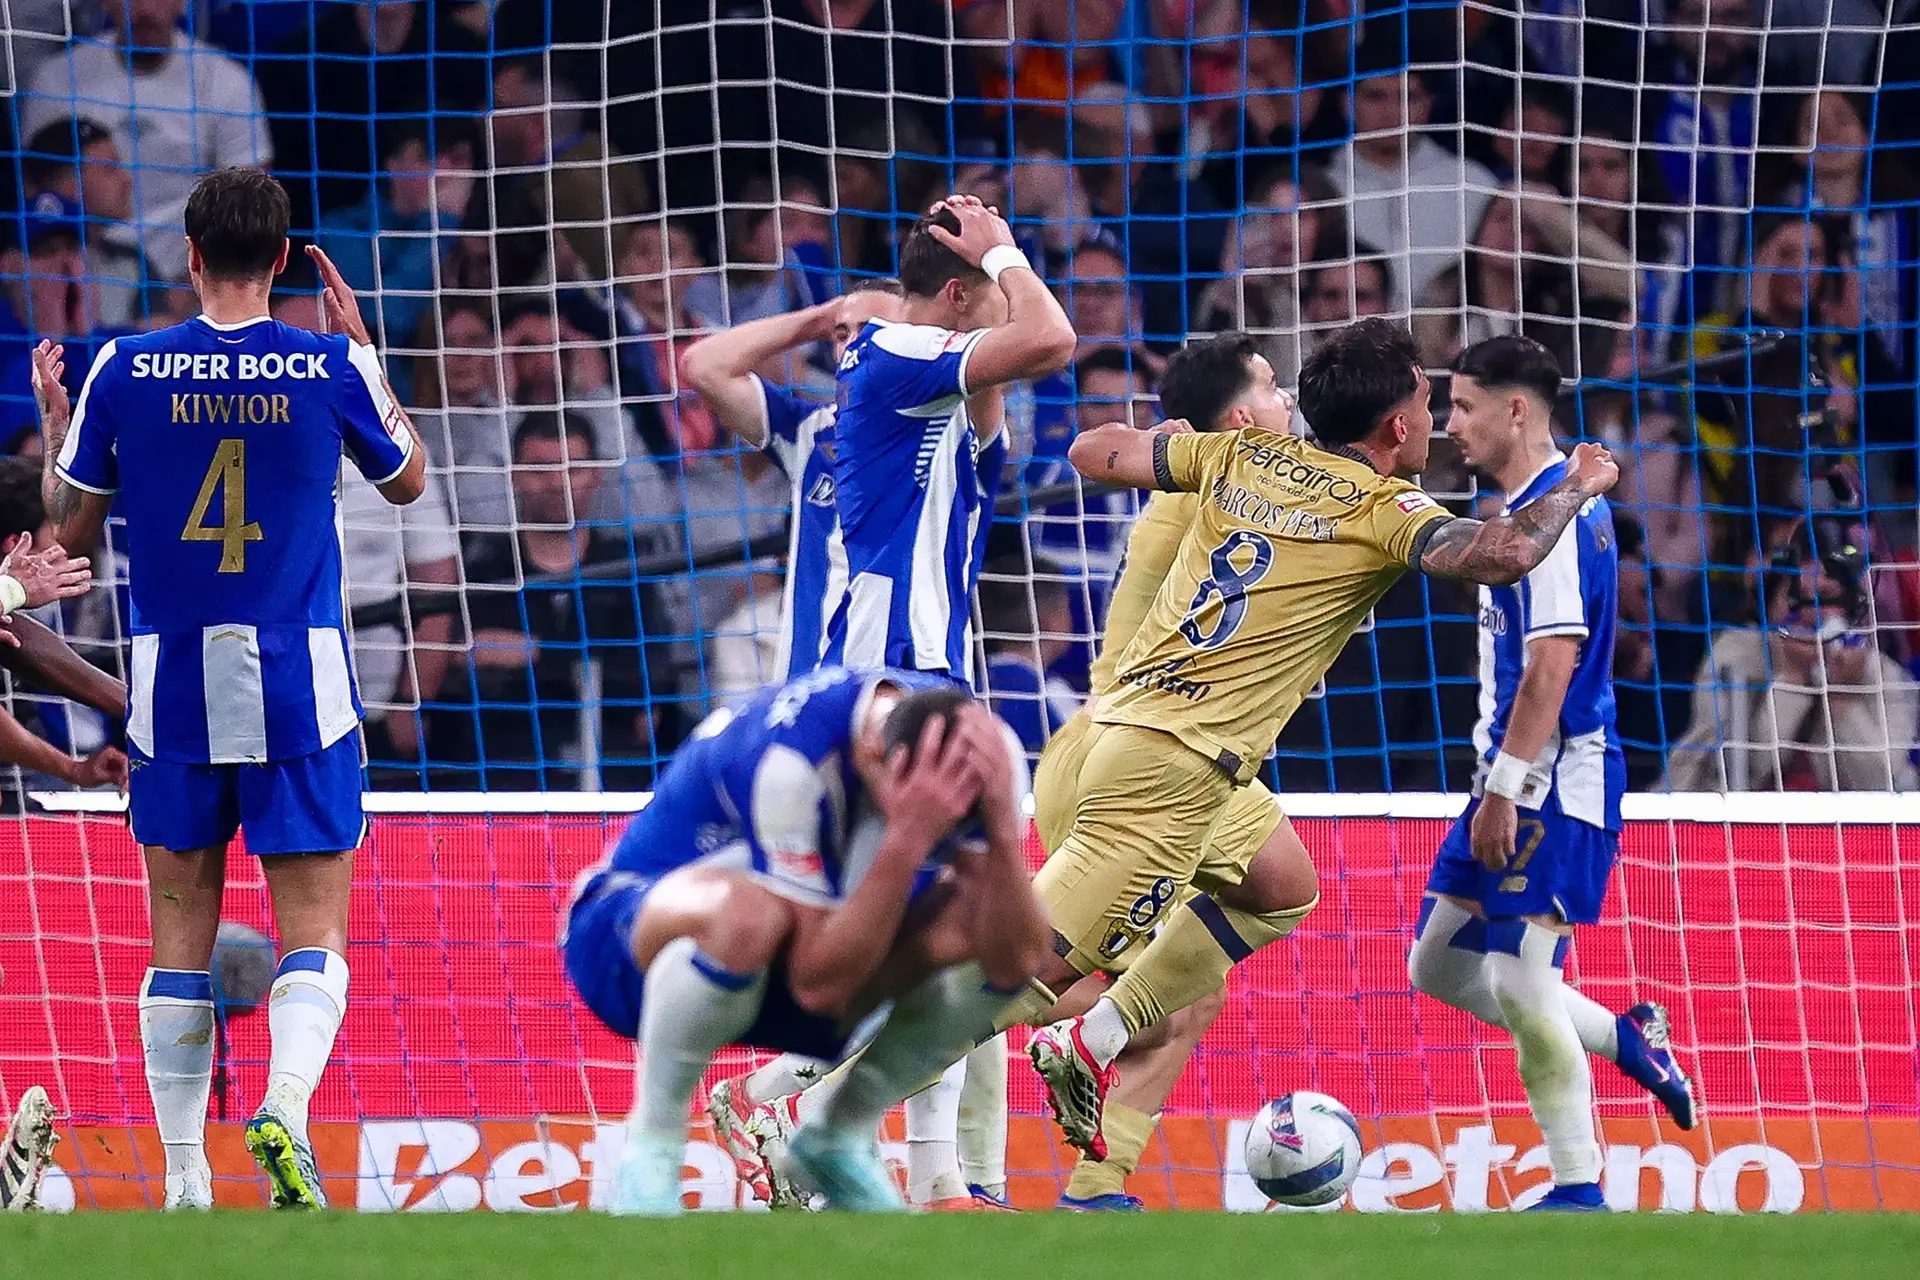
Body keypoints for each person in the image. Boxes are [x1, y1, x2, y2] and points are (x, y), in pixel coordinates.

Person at [1024, 318, 1621, 1158]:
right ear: (1398, 424)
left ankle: (1093, 1082)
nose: (1440, 420)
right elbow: (1506, 552)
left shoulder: (1233, 459)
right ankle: (848, 1100)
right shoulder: (1374, 506)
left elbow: (1092, 450)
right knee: (1021, 979)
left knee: (1278, 893)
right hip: (1165, 758)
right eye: (1431, 402)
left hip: (1131, 742)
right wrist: (1581, 484)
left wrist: (1163, 440)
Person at [33, 168, 428, 1210]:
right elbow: (409, 480)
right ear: (286, 259)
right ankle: (285, 1105)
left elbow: (66, 536)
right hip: (300, 682)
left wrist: (61, 432)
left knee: (176, 939)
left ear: (192, 255)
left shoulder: (124, 367)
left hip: (170, 690)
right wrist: (368, 353)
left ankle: (183, 1179)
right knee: (314, 929)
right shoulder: (328, 363)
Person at [561, 668, 1048, 1214]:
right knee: (750, 917)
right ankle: (652, 1146)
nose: (944, 828)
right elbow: (819, 988)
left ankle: (836, 1135)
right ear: (872, 756)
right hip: (623, 945)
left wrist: (1002, 833)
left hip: (795, 963)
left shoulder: (981, 758)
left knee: (982, 932)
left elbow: (1024, 959)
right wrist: (909, 837)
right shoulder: (792, 762)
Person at [1408, 335, 1697, 1214]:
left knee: (1521, 980)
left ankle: (1577, 1185)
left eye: (1464, 406)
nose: (1452, 424)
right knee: (1438, 967)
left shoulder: (1557, 519)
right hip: (1508, 771)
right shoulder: (1532, 509)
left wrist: (1505, 788)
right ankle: (1628, 1038)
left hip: (1555, 780)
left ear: (1516, 409)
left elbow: (1552, 666)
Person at [825, 195, 1075, 679]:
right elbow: (1053, 340)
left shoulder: (944, 394)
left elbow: (1018, 357)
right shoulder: (894, 348)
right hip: (888, 652)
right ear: (957, 295)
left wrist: (976, 232)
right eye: (999, 289)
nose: (1012, 303)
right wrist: (1003, 255)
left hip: (928, 651)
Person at [681, 282, 908, 682]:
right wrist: (820, 319)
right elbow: (702, 365)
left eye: (871, 330)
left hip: (909, 679)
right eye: (842, 335)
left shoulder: (953, 430)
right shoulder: (809, 432)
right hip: (811, 682)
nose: (853, 345)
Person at [0, 1085, 57, 1210]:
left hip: (33, 1153)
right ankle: (18, 1201)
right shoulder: (22, 1118)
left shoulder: (43, 1118)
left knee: (34, 1173)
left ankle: (29, 1200)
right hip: (21, 1153)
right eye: (39, 1101)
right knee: (26, 1175)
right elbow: (12, 1138)